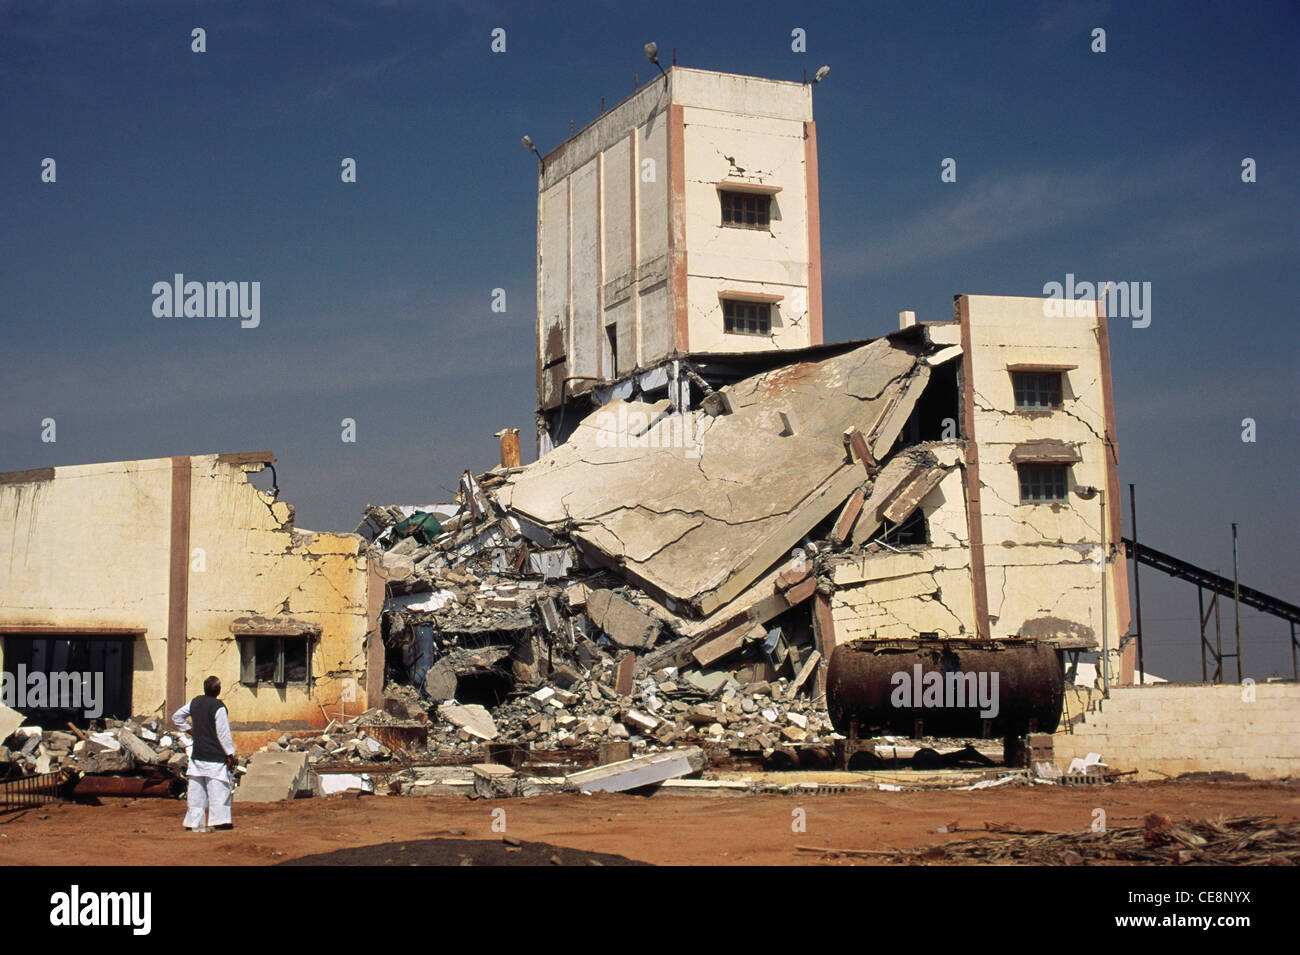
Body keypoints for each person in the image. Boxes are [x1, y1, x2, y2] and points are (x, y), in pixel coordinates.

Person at [171, 675, 237, 832]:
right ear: (218, 690)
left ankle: (193, 822)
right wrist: (230, 753)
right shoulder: (218, 706)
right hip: (214, 755)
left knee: (196, 791)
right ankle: (220, 821)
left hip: (198, 754)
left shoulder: (195, 702)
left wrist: (192, 731)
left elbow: (177, 716)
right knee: (219, 790)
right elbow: (223, 733)